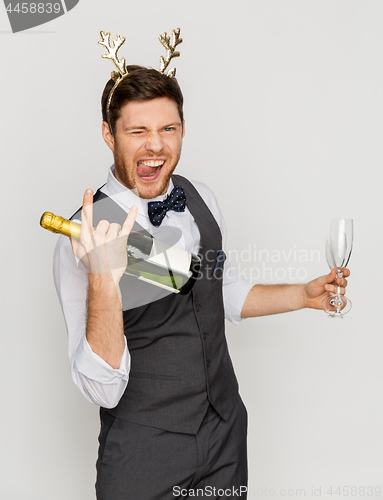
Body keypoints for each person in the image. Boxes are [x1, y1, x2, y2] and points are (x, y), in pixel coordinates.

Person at [53, 31, 350, 500]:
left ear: (183, 129)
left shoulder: (199, 198)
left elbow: (220, 289)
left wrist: (301, 295)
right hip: (144, 450)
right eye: (137, 131)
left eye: (168, 129)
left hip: (224, 433)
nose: (155, 146)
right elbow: (103, 389)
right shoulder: (83, 237)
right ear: (108, 134)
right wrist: (103, 279)